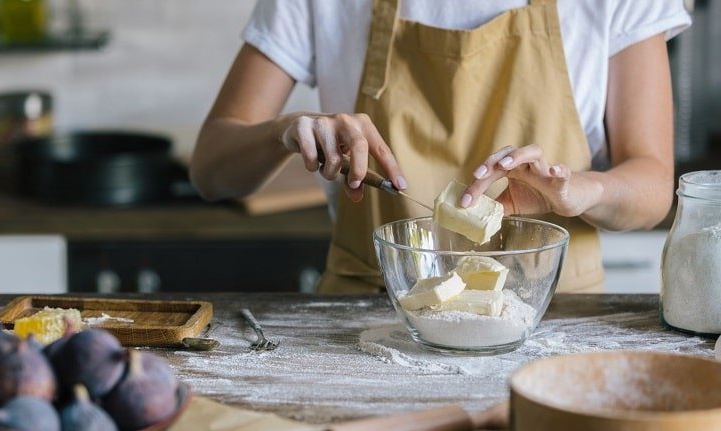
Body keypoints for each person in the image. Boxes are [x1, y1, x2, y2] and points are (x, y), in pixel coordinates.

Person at [190, 0, 691, 294]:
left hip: (555, 320)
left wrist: (581, 191)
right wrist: (287, 128)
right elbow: (210, 169)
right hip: (366, 324)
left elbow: (651, 190)